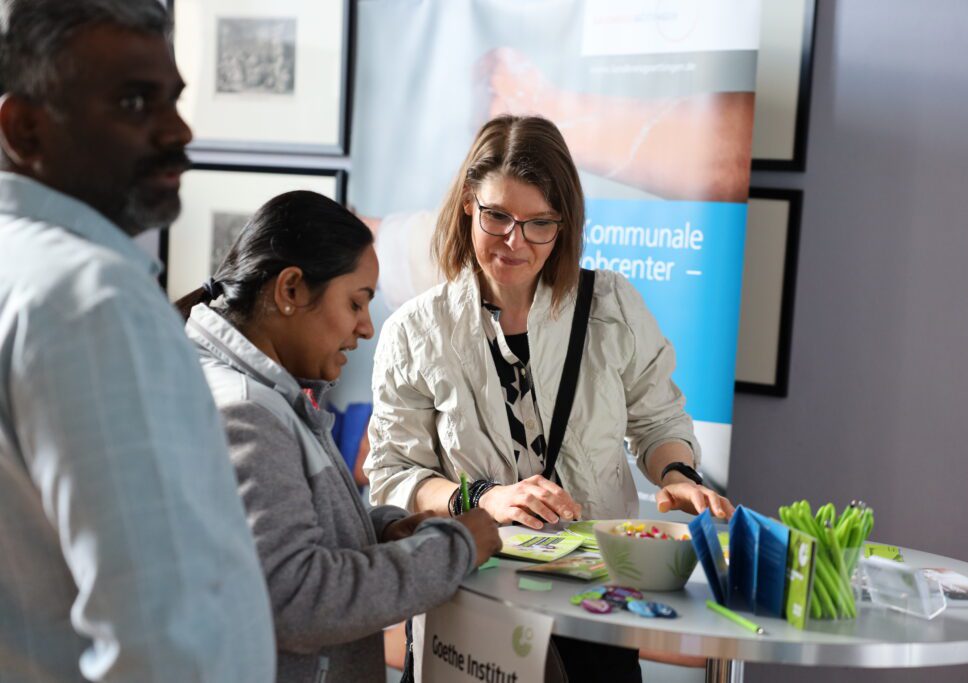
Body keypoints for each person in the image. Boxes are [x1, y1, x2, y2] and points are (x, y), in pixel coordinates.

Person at [365, 115, 734, 681]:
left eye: (539, 223)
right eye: (498, 217)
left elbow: (658, 420)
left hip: (594, 610)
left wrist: (678, 476)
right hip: (470, 605)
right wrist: (485, 498)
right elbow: (395, 474)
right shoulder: (416, 331)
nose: (515, 241)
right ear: (468, 203)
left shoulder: (611, 305)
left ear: (564, 225)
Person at [0, 1, 275, 681]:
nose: (177, 129)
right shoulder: (90, 298)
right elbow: (161, 645)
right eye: (133, 101)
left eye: (174, 99)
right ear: (24, 127)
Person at [174, 190, 502, 683]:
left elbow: (277, 543)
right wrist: (451, 550)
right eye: (356, 303)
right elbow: (298, 597)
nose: (366, 328)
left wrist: (385, 529)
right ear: (289, 291)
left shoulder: (262, 394)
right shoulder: (245, 411)